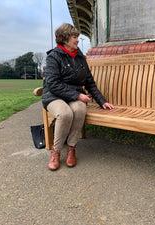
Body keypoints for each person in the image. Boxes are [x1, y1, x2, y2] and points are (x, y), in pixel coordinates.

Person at [42, 23, 115, 171]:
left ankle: (71, 148)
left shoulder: (80, 57)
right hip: (54, 96)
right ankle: (56, 152)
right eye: (74, 37)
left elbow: (89, 82)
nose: (77, 40)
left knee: (80, 109)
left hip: (75, 97)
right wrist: (77, 95)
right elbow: (52, 83)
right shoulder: (53, 57)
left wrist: (102, 101)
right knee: (65, 113)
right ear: (65, 39)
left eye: (77, 37)